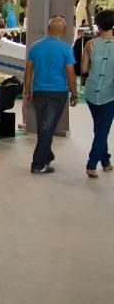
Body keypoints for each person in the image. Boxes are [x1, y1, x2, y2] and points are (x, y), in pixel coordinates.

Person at [23, 16, 78, 174]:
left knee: (44, 127)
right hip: (58, 93)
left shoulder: (35, 47)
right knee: (47, 128)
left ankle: (47, 155)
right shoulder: (66, 48)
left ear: (48, 29)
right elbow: (70, 74)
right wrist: (74, 94)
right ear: (65, 31)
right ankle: (38, 164)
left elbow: (28, 72)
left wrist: (27, 91)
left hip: (39, 92)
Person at [81, 9, 114, 178]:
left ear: (98, 25)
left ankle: (106, 161)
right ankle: (91, 164)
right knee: (102, 130)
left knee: (99, 127)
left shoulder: (90, 44)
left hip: (91, 92)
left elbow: (84, 69)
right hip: (110, 94)